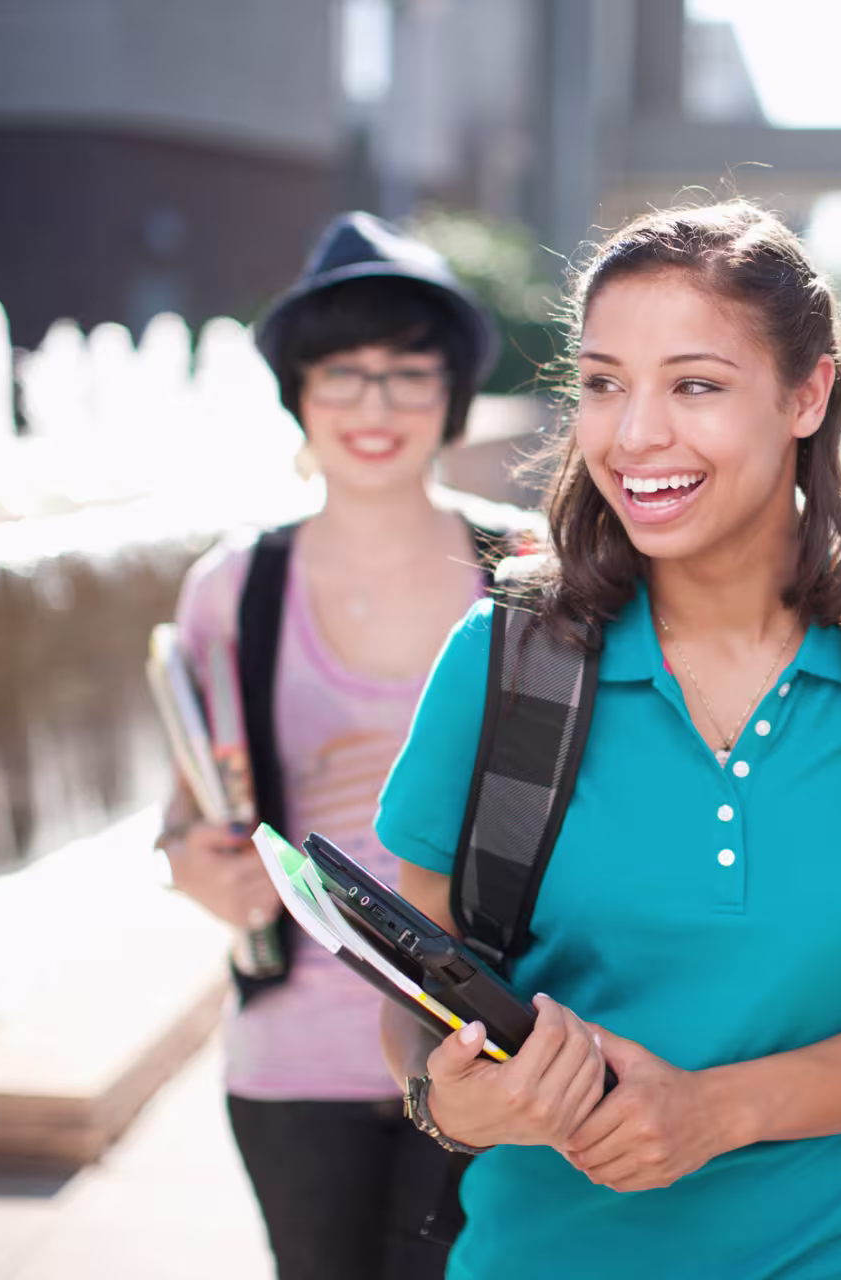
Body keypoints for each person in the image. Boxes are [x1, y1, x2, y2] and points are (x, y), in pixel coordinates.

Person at [372, 200, 841, 1279]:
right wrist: (452, 1098)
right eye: (603, 382)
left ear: (807, 393)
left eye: (694, 384)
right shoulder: (500, 663)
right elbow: (417, 1003)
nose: (635, 433)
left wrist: (712, 1111)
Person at [159, 211, 522, 1280]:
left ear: (451, 396)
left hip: (486, 1045)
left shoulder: (527, 570)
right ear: (299, 397)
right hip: (295, 1059)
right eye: (343, 374)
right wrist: (203, 872)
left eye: (410, 374)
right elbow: (183, 820)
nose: (376, 406)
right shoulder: (235, 585)